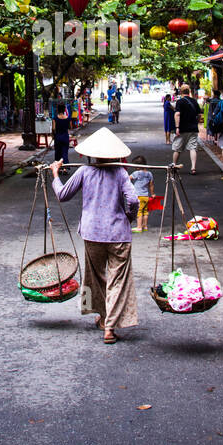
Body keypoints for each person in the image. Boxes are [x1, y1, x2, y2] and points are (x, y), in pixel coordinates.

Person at [51, 128, 139, 345]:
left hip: (92, 234)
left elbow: (62, 195)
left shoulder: (84, 171)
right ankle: (108, 326)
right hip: (118, 234)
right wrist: (129, 216)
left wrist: (55, 174)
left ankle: (103, 317)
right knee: (117, 279)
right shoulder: (120, 173)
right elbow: (134, 201)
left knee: (96, 276)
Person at [170, 85, 202, 174]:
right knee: (193, 148)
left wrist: (177, 127)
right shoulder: (194, 101)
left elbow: (177, 114)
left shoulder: (180, 102)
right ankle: (193, 168)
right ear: (189, 92)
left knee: (177, 148)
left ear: (181, 92)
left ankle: (174, 165)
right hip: (193, 128)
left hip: (182, 128)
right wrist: (196, 122)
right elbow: (199, 114)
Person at [129, 155, 154, 233]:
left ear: (137, 166)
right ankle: (145, 226)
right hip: (146, 196)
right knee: (145, 211)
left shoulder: (137, 173)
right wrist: (152, 194)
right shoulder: (149, 174)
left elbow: (128, 179)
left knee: (139, 211)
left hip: (138, 195)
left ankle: (139, 227)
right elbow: (151, 185)